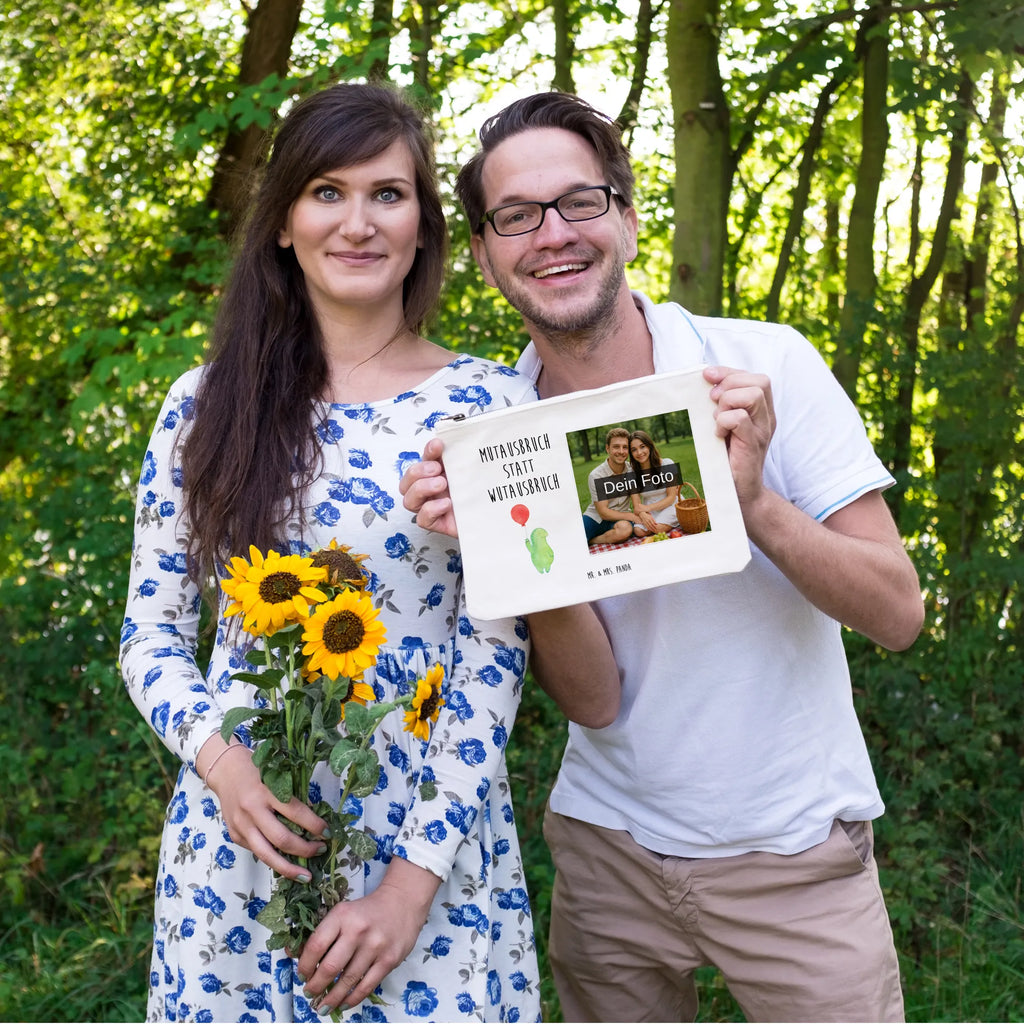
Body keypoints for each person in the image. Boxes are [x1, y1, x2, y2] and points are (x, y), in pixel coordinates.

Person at [400, 91, 924, 1022]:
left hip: (795, 854)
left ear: (628, 217)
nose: (552, 234)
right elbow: (597, 703)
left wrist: (753, 499)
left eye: (580, 202)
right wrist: (507, 555)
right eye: (516, 217)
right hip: (607, 854)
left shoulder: (764, 367)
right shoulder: (495, 436)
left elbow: (897, 613)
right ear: (484, 255)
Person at [119, 82, 591, 1023]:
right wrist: (225, 769)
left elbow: (498, 653)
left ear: (424, 227)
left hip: (430, 857)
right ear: (285, 225)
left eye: (388, 193)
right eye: (326, 192)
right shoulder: (205, 405)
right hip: (243, 849)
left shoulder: (492, 410)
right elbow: (151, 634)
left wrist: (410, 886)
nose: (358, 222)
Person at [580, 427, 635, 546]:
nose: (621, 451)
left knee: (625, 530)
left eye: (625, 447)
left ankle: (594, 541)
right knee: (574, 539)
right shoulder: (596, 475)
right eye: (616, 446)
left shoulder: (631, 471)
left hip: (621, 517)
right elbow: (603, 512)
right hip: (595, 518)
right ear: (607, 448)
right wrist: (632, 516)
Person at [626, 428, 679, 537]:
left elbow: (671, 497)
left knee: (657, 528)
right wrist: (643, 514)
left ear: (649, 446)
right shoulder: (631, 473)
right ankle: (661, 524)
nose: (639, 453)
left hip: (669, 505)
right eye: (634, 449)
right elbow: (636, 505)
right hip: (647, 510)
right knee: (638, 531)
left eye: (642, 447)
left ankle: (674, 519)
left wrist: (647, 509)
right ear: (631, 453)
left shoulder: (667, 464)